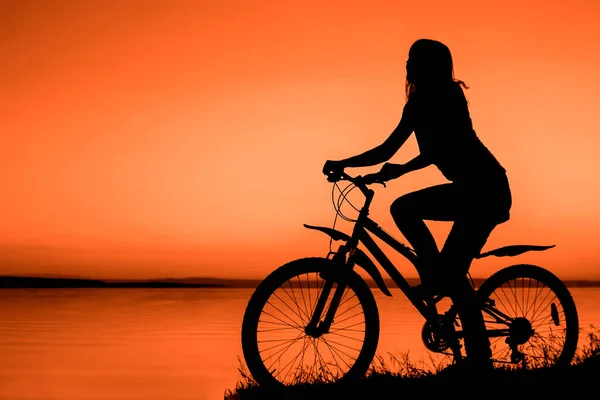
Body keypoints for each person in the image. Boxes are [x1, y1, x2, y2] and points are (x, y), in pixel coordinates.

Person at [322, 38, 512, 369]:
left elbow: (444, 148)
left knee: (407, 214)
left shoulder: (449, 96)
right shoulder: (417, 105)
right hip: (471, 189)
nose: (407, 64)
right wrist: (363, 166)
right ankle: (440, 279)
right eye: (408, 58)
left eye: (414, 59)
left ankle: (479, 359)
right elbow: (389, 150)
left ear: (429, 65)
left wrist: (360, 164)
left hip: (486, 189)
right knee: (445, 266)